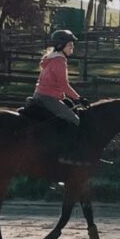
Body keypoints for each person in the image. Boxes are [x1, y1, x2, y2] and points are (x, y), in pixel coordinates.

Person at [31, 30, 91, 166]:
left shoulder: (50, 58)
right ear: (61, 45)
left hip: (39, 95)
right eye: (70, 45)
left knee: (68, 110)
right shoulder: (59, 61)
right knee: (75, 121)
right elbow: (64, 85)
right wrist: (79, 98)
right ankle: (68, 156)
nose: (72, 48)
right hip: (48, 98)